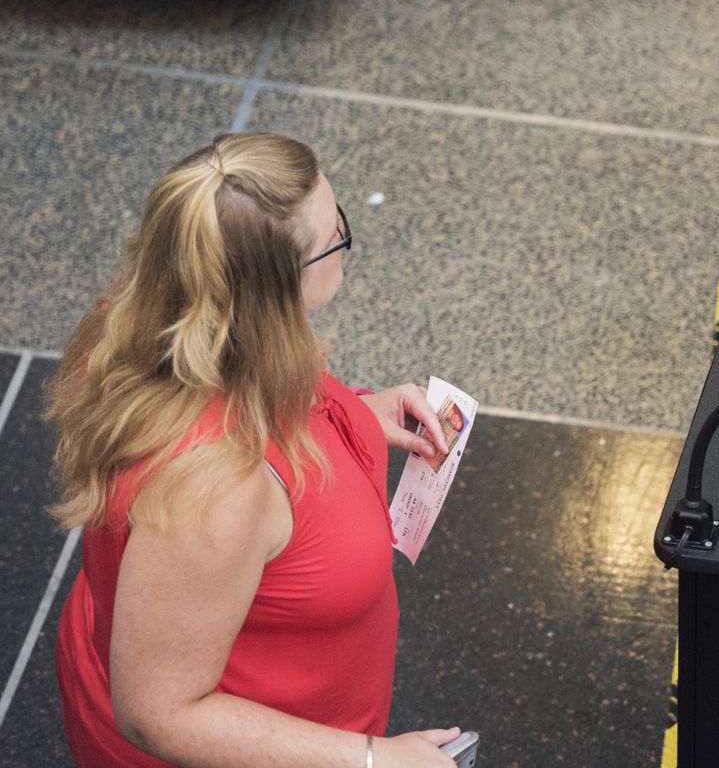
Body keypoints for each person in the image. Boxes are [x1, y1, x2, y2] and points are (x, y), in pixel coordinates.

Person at [46, 132, 463, 768]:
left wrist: (351, 410)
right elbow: (160, 711)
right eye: (337, 236)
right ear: (274, 291)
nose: (346, 240)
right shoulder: (216, 491)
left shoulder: (159, 322)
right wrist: (376, 761)